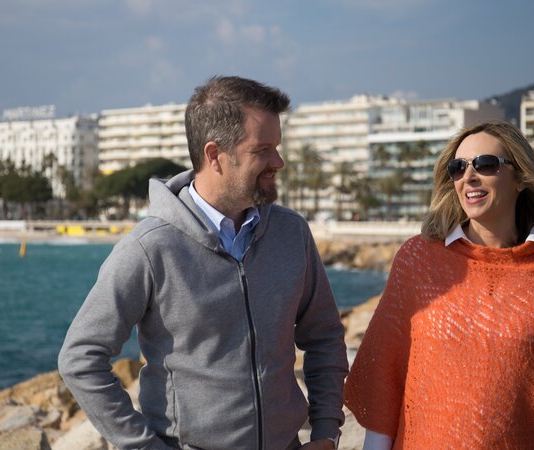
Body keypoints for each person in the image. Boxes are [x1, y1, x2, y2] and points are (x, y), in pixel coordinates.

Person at [58, 76, 348, 450]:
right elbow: (80, 358)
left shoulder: (291, 233)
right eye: (263, 149)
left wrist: (326, 431)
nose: (279, 161)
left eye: (277, 147)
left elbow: (324, 336)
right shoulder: (150, 248)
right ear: (215, 155)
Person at [344, 121, 534, 449]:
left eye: (485, 164)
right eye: (458, 167)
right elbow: (384, 383)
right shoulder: (417, 261)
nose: (468, 176)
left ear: (521, 178)